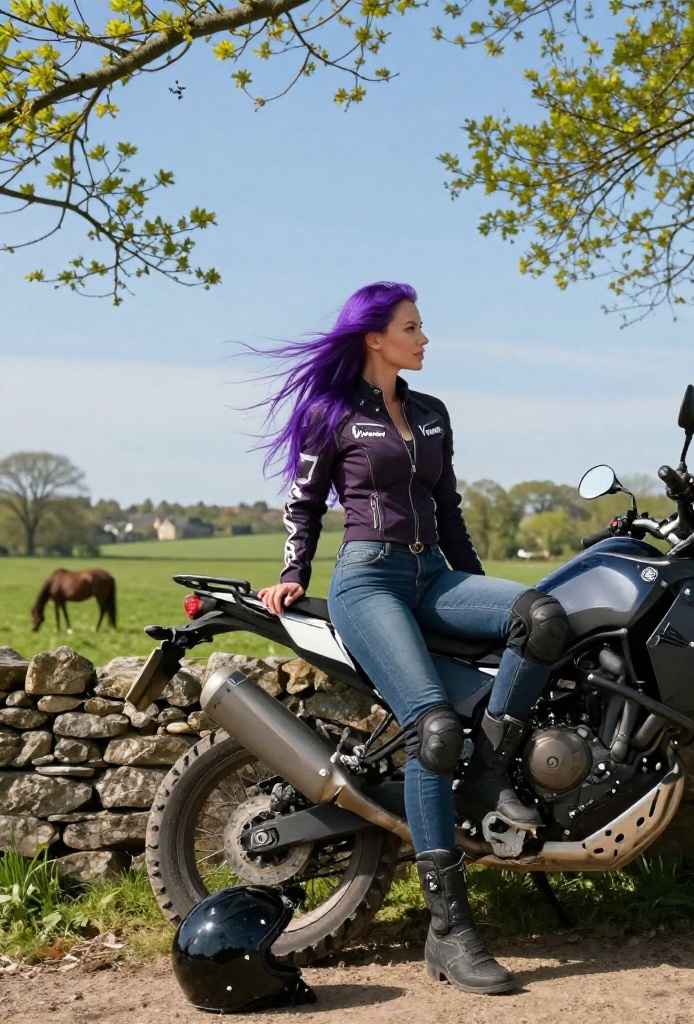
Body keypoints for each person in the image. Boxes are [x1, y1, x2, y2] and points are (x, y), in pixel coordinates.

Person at [256, 282, 569, 995]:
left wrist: (486, 599)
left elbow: (449, 510)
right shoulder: (330, 413)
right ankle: (450, 933)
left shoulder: (430, 413)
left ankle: (489, 774)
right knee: (432, 729)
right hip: (368, 581)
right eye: (412, 327)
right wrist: (290, 574)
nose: (425, 339)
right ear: (375, 337)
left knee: (541, 616)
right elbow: (303, 504)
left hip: (435, 576)